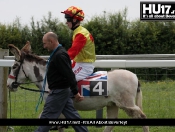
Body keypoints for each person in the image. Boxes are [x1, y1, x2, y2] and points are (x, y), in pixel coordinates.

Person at [35, 32, 88, 132]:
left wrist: (76, 92)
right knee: (73, 117)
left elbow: (69, 75)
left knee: (46, 118)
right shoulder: (59, 53)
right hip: (62, 91)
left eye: (45, 43)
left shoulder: (59, 55)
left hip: (58, 92)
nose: (44, 46)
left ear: (51, 41)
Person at [61, 6, 96, 81]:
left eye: (68, 19)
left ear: (74, 20)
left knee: (65, 81)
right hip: (79, 64)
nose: (66, 22)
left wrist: (59, 59)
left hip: (84, 66)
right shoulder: (78, 31)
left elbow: (73, 52)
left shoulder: (81, 34)